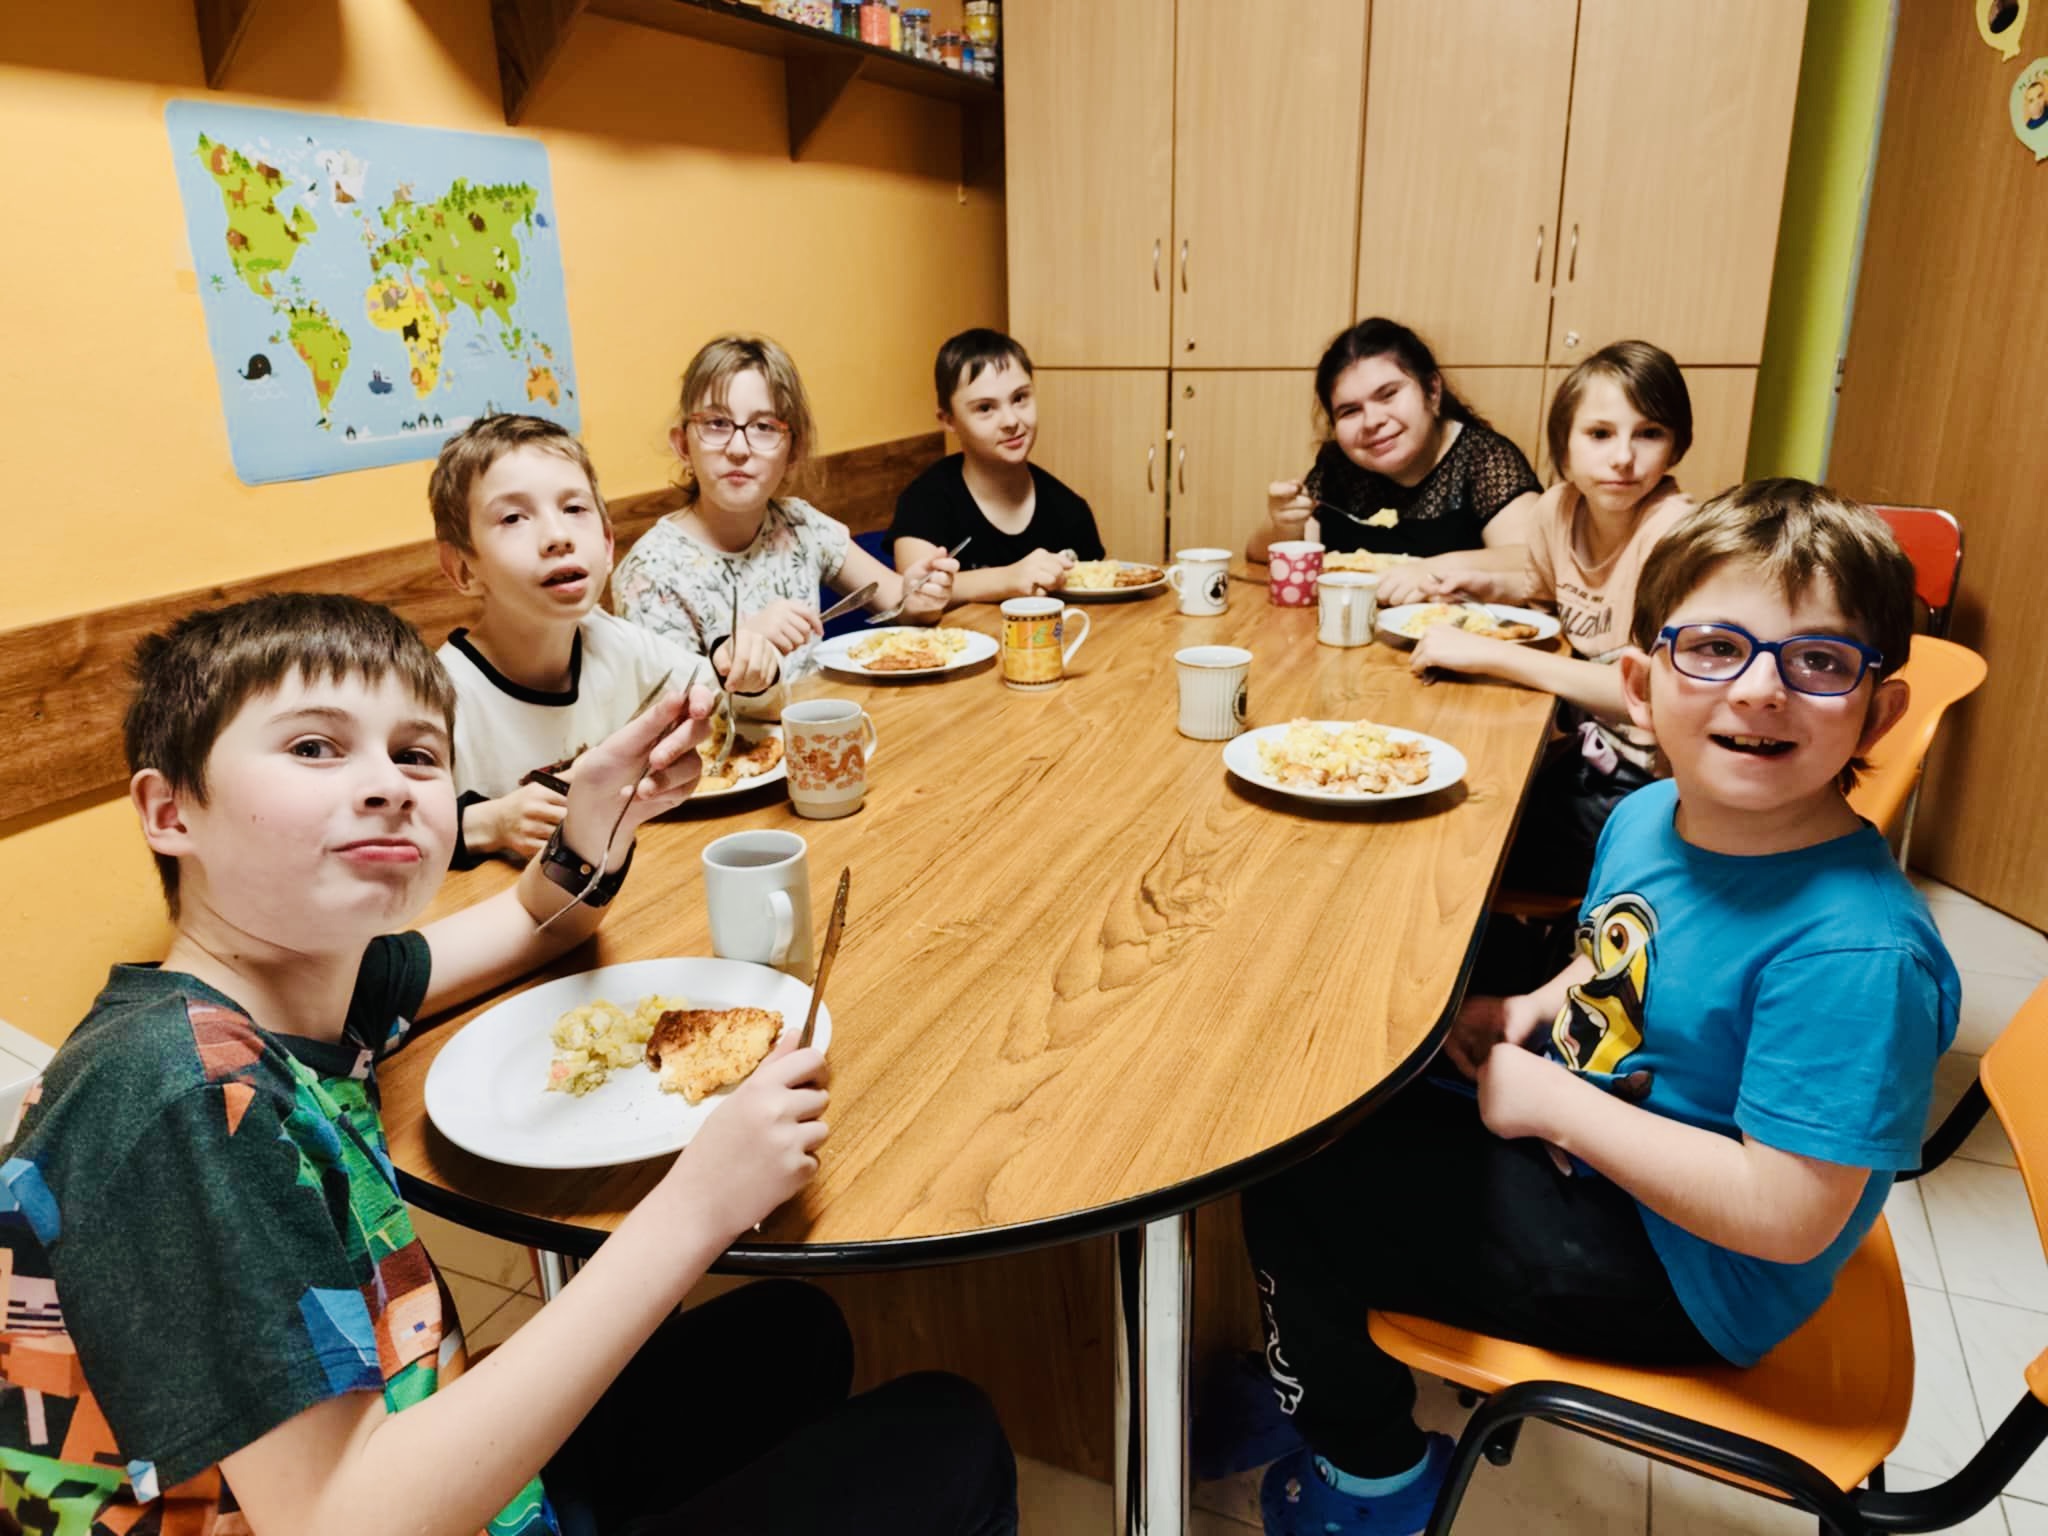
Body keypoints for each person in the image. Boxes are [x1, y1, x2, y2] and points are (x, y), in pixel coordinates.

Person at [0, 593, 1018, 1535]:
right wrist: (698, 1206)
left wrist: (598, 811)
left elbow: (538, 921)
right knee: (951, 1436)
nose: (386, 785)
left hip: (417, 1446)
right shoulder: (176, 1095)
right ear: (171, 812)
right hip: (371, 1509)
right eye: (314, 747)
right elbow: (339, 1521)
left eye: (416, 754)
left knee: (793, 1334)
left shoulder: (301, 986)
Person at [1213, 482, 1959, 1535]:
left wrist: (1554, 1106)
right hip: (1605, 1139)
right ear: (1640, 687)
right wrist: (1530, 1008)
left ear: (1877, 711)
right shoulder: (1653, 816)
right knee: (1330, 1089)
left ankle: (1369, 1475)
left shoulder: (1855, 952)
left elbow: (1788, 1216)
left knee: (1297, 1183)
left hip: (1690, 1273)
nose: (1759, 690)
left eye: (1820, 662)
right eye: (1715, 648)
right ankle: (1312, 1357)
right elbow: (1625, 955)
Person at [1394, 341, 1697, 895]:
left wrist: (1489, 653)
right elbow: (1546, 603)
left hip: (1647, 782)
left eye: (1649, 433)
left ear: (1676, 445)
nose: (1623, 457)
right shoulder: (1558, 509)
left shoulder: (1675, 536)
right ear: (1564, 446)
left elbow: (1655, 694)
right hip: (1575, 746)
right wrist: (1483, 585)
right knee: (1436, 775)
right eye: (1600, 433)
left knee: (1459, 846)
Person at [429, 413, 782, 865]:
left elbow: (728, 703)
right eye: (513, 517)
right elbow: (384, 832)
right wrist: (487, 822)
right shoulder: (438, 697)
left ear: (608, 543)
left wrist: (747, 669)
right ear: (462, 568)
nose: (558, 536)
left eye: (575, 509)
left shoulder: (614, 641)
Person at [613, 334, 960, 678]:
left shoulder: (799, 526)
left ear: (793, 451)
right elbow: (669, 707)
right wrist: (737, 650)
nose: (738, 448)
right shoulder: (650, 574)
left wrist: (921, 596)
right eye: (716, 423)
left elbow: (901, 606)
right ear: (683, 446)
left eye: (764, 427)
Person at [1245, 318, 1541, 566]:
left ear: (1432, 391)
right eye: (1350, 411)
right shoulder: (1340, 466)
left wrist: (1432, 571)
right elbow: (1259, 555)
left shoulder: (1483, 459)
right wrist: (1285, 525)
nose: (1371, 421)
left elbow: (1533, 563)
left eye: (1388, 395)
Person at [888, 328, 1106, 602]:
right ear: (948, 420)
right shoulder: (924, 502)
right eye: (985, 408)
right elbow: (914, 592)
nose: (1011, 421)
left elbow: (1099, 604)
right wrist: (1009, 579)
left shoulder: (1070, 510)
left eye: (1019, 398)